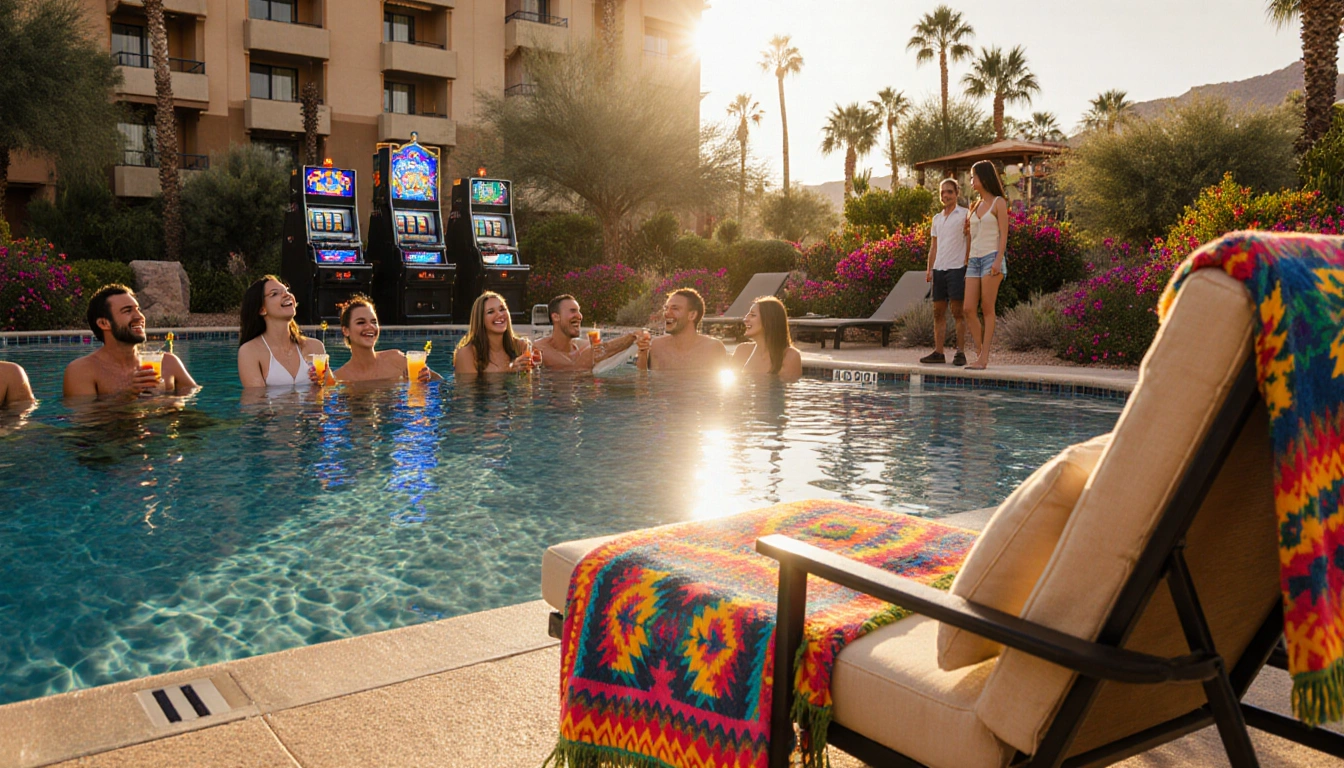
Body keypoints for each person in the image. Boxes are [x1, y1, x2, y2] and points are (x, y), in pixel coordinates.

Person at [63, 284, 198, 397]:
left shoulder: (169, 363)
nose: (140, 316)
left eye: (138, 309)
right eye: (128, 311)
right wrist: (125, 396)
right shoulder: (82, 371)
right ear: (104, 323)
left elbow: (194, 404)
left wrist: (173, 403)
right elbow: (85, 421)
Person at [237, 276, 331, 388]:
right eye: (275, 294)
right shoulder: (250, 352)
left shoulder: (315, 347)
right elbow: (256, 402)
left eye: (286, 290)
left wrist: (326, 382)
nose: (287, 295)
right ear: (262, 310)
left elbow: (331, 393)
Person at [963, 160, 1011, 370]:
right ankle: (981, 352)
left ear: (984, 177)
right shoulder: (973, 206)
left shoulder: (998, 202)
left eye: (973, 176)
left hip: (992, 257)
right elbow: (971, 237)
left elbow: (1004, 234)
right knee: (967, 309)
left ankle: (983, 358)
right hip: (974, 260)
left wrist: (998, 260)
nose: (971, 180)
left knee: (987, 308)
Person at [333, 296, 441, 382]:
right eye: (361, 322)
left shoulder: (397, 360)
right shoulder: (339, 377)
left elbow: (441, 384)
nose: (369, 326)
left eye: (374, 322)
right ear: (346, 330)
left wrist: (428, 377)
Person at [922, 178, 970, 366]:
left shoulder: (965, 215)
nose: (945, 195)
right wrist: (929, 269)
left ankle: (960, 353)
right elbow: (933, 247)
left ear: (957, 193)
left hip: (957, 268)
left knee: (958, 311)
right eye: (942, 192)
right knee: (937, 312)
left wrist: (967, 264)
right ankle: (939, 352)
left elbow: (971, 240)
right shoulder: (937, 219)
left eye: (949, 192)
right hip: (939, 269)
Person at [534, 294, 637, 372]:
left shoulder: (584, 345)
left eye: (579, 311)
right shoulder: (540, 348)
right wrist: (631, 337)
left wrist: (639, 343)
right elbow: (574, 367)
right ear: (556, 317)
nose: (579, 316)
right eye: (573, 311)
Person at [636, 288, 730, 372]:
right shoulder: (657, 347)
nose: (667, 313)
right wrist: (642, 354)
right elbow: (644, 384)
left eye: (675, 308)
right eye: (666, 308)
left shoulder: (712, 348)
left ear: (692, 315)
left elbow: (719, 388)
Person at [453, 291, 536, 375]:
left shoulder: (520, 346)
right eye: (490, 312)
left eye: (502, 309)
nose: (500, 314)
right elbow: (469, 387)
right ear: (480, 320)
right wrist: (509, 371)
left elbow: (526, 385)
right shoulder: (467, 353)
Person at [731, 296, 803, 380]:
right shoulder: (742, 350)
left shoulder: (789, 356)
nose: (745, 319)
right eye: (747, 315)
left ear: (769, 320)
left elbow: (789, 391)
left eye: (753, 315)